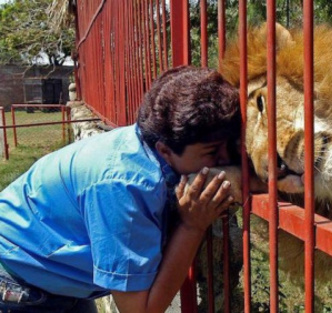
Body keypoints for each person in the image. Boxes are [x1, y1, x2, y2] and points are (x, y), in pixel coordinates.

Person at [0, 66, 241, 313]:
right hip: (20, 282)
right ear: (165, 150)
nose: (226, 160)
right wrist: (192, 225)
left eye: (229, 147)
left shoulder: (146, 147)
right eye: (212, 152)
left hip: (52, 276)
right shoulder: (125, 186)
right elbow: (140, 311)